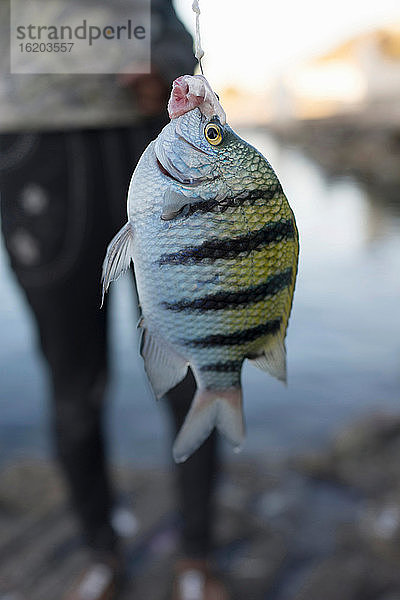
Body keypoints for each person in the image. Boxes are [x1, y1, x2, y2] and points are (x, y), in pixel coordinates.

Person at [0, 1, 229, 598]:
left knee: (197, 365)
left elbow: (172, 29)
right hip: (35, 151)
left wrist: (168, 66)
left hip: (151, 139)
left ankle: (197, 558)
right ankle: (101, 551)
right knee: (75, 382)